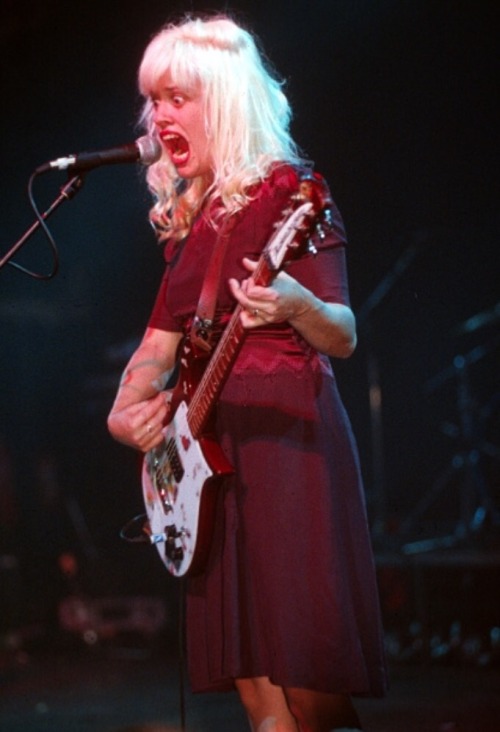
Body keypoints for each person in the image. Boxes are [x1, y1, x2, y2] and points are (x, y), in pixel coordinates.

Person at [107, 14, 387, 732]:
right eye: (154, 100)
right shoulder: (193, 222)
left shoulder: (290, 192)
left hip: (285, 444)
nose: (159, 115)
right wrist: (127, 408)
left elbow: (345, 333)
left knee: (309, 684)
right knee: (256, 687)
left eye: (177, 97)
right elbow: (156, 348)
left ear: (226, 100)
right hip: (207, 460)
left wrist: (295, 304)